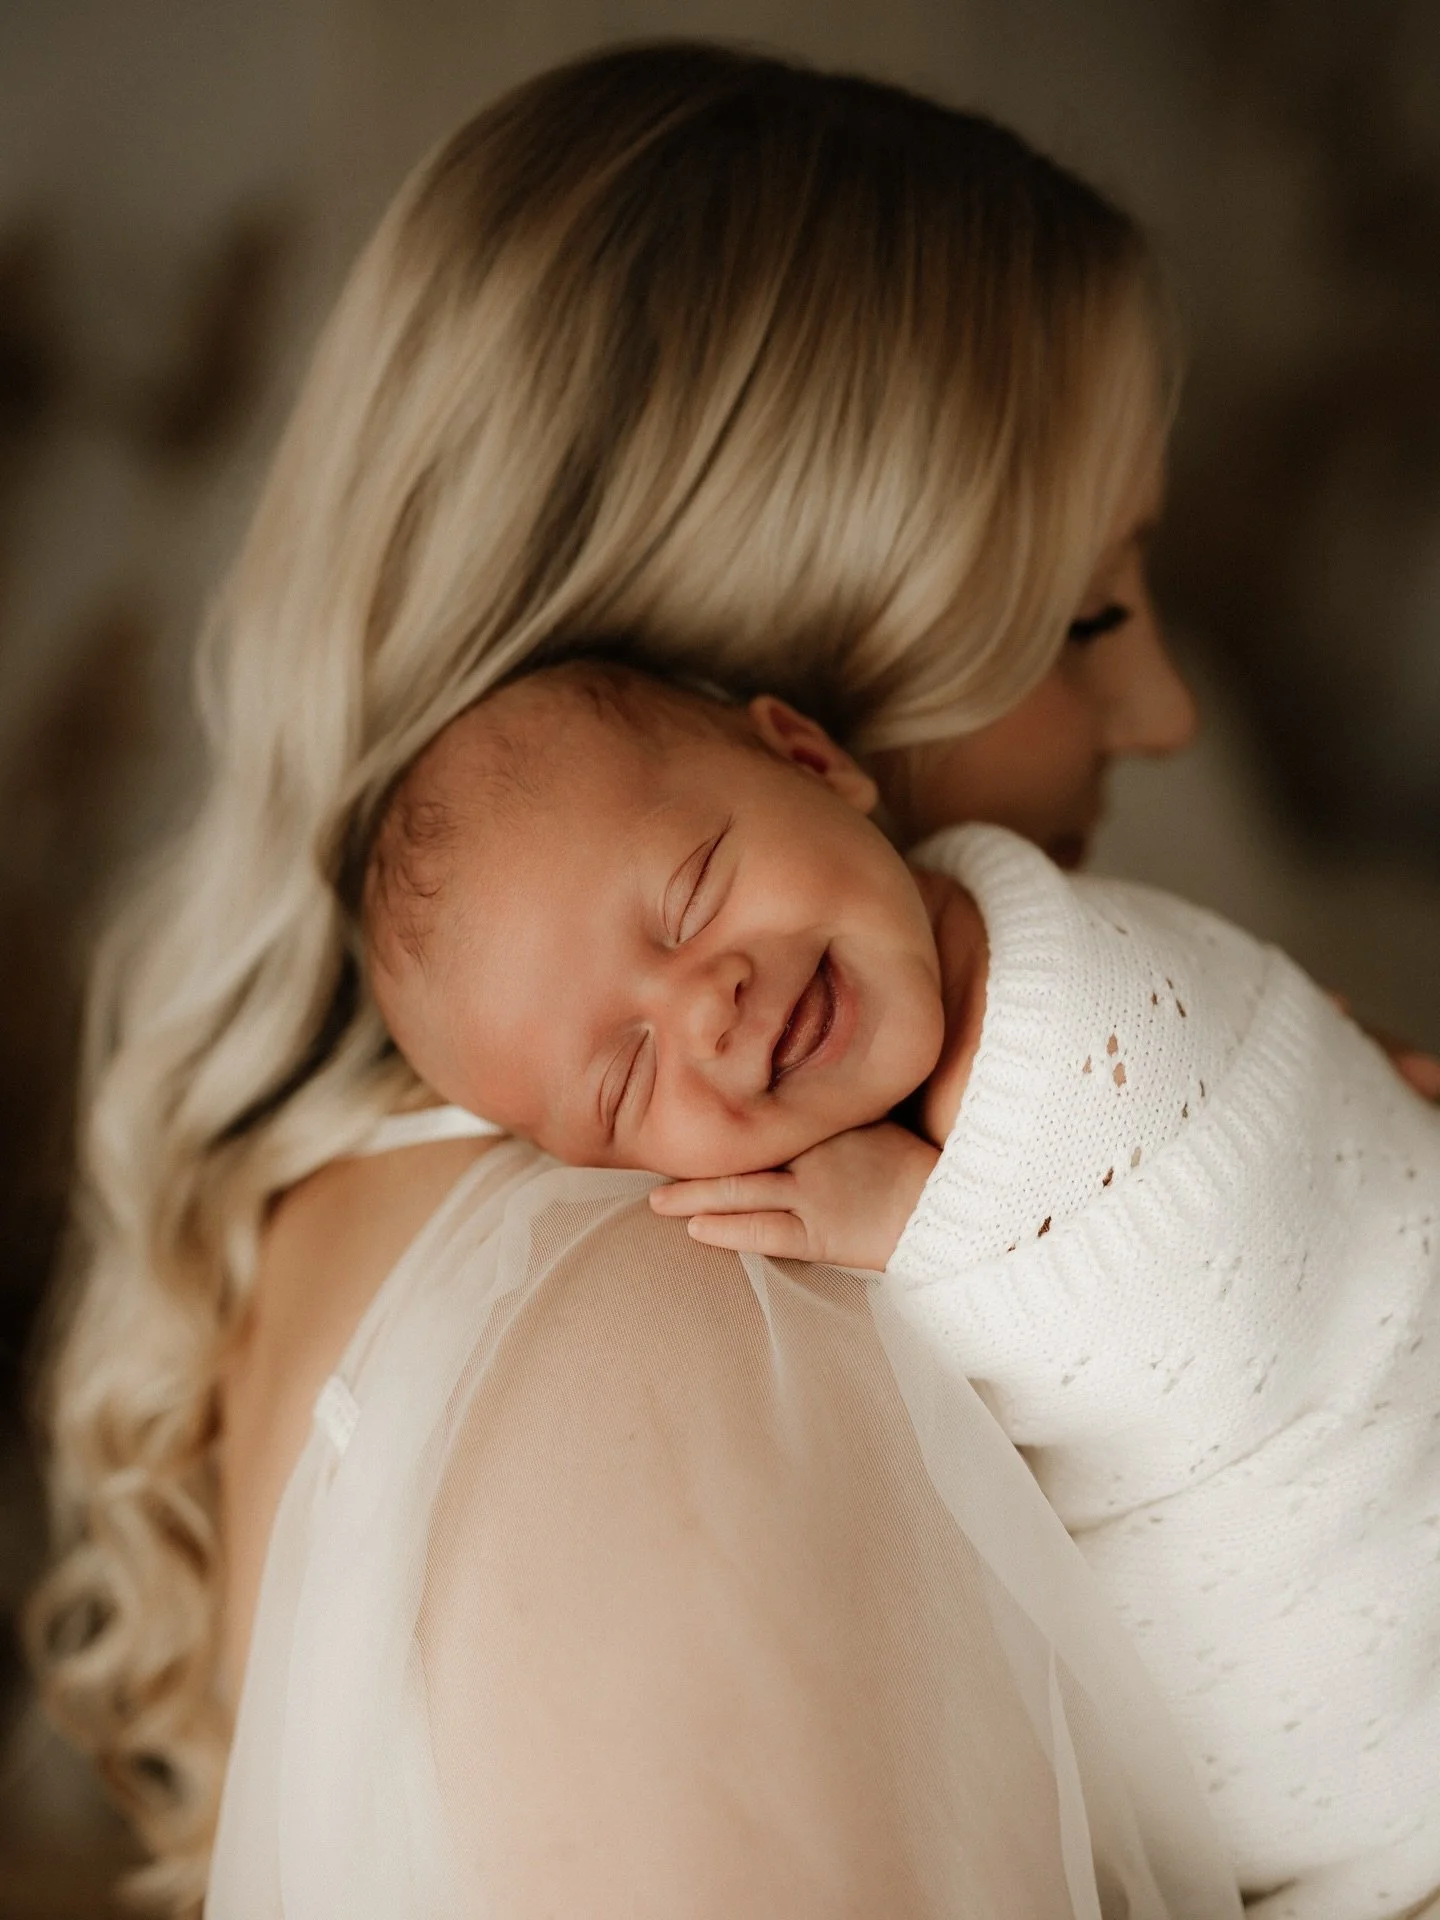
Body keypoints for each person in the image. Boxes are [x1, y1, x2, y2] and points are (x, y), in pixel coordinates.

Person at [19, 40, 1411, 1919]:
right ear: (789, 697)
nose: (1157, 710)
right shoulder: (685, 1299)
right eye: (1086, 610)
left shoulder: (402, 1206)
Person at [363, 653, 1440, 1917]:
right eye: (626, 1080)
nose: (705, 1011)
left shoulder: (1082, 1007)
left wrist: (925, 1236)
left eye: (694, 889)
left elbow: (1231, 1290)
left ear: (814, 761)